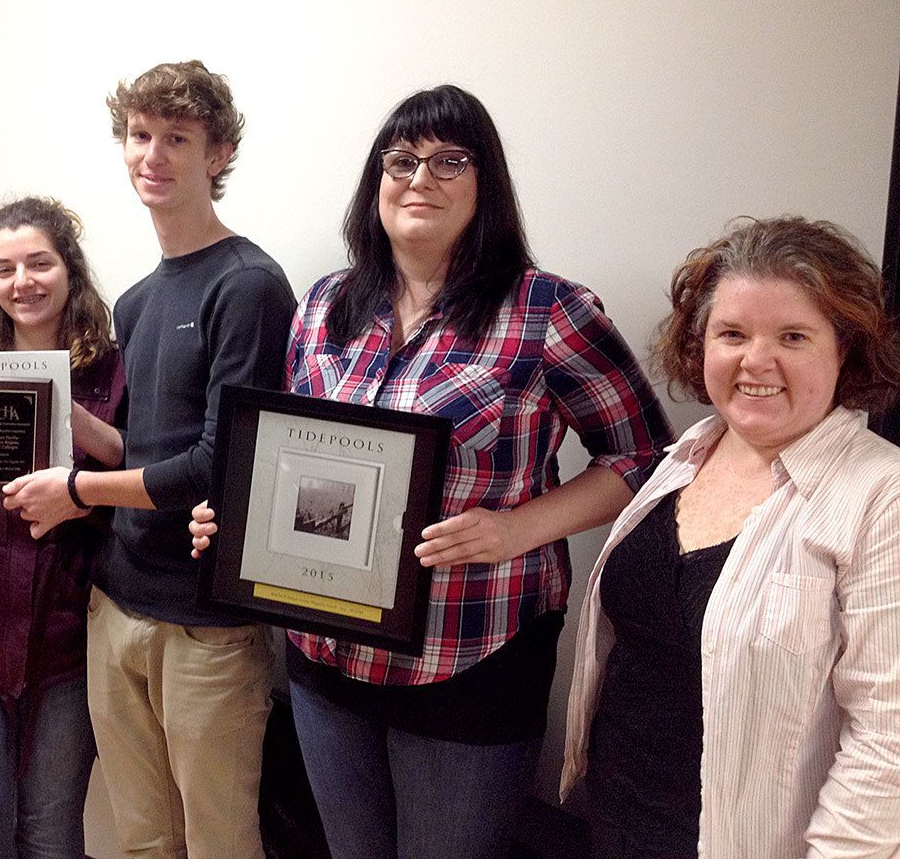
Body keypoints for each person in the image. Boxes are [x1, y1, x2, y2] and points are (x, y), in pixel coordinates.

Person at [190, 84, 672, 859]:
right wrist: (238, 516)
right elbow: (291, 453)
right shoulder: (323, 307)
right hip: (327, 653)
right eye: (402, 159)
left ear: (487, 187)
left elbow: (646, 455)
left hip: (470, 655)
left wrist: (519, 528)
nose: (421, 179)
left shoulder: (548, 312)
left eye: (451, 161)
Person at [0, 61, 296, 859]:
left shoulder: (249, 286)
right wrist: (56, 408)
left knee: (219, 842)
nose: (152, 155)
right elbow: (149, 453)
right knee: (141, 839)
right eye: (139, 135)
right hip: (117, 606)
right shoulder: (136, 299)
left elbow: (218, 466)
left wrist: (77, 490)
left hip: (207, 628)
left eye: (177, 138)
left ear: (219, 154)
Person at [563, 216, 900, 859]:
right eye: (732, 334)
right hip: (617, 818)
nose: (756, 361)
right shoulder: (688, 454)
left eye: (793, 336)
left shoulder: (882, 497)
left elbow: (888, 742)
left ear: (845, 350)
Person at [0, 197, 125, 859]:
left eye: (39, 263)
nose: (23, 282)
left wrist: (82, 494)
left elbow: (138, 491)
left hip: (69, 642)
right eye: (4, 269)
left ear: (69, 270)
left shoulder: (113, 371)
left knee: (50, 832)